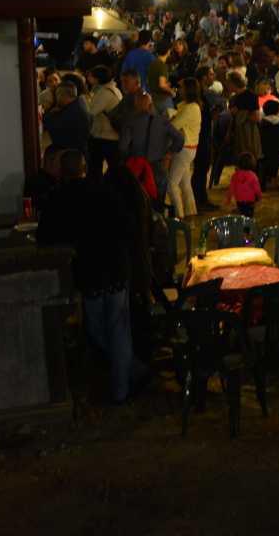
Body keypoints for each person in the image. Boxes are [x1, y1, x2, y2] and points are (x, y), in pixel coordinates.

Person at [37, 150, 147, 404]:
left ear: (61, 172)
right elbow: (128, 225)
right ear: (85, 168)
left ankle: (129, 376)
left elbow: (45, 239)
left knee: (98, 330)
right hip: (115, 268)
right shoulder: (104, 192)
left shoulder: (57, 199)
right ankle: (125, 385)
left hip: (89, 274)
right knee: (117, 330)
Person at [118, 92, 184, 206]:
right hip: (158, 166)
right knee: (158, 202)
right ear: (150, 104)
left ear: (136, 105)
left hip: (137, 168)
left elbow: (123, 147)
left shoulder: (130, 122)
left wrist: (127, 159)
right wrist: (169, 152)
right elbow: (179, 138)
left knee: (137, 202)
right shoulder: (162, 121)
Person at [166, 78, 202, 218]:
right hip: (189, 148)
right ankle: (190, 213)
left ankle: (179, 216)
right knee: (185, 183)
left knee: (172, 183)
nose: (178, 89)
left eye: (181, 87)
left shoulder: (190, 108)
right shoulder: (189, 106)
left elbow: (173, 125)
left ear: (188, 90)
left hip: (184, 149)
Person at [86, 65, 122, 182]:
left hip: (105, 136)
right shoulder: (114, 89)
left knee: (95, 168)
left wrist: (84, 101)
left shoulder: (104, 93)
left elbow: (91, 111)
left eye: (91, 76)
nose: (88, 77)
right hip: (112, 135)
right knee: (113, 168)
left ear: (97, 78)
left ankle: (99, 190)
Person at [43, 82, 91, 159]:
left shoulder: (71, 112)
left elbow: (50, 126)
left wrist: (50, 114)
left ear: (62, 95)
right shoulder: (80, 102)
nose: (56, 99)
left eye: (56, 95)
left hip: (71, 155)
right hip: (80, 151)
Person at [223, 152, 261, 216]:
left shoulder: (235, 175)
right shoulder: (253, 176)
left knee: (242, 213)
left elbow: (231, 188)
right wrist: (259, 197)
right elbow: (257, 189)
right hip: (250, 201)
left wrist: (228, 198)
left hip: (239, 200)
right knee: (249, 215)